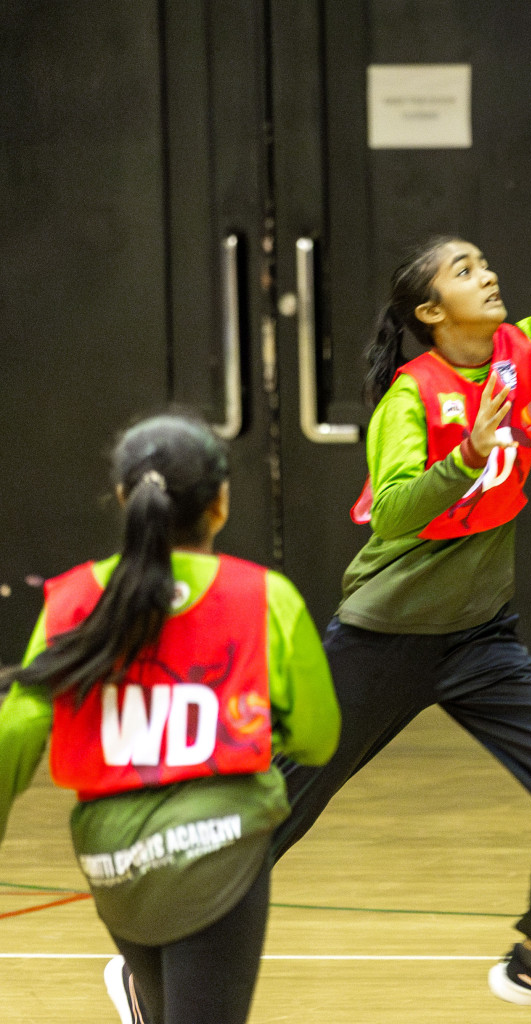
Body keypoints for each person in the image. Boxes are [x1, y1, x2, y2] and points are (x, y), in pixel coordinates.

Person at [101, 102, 531, 1024]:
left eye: (485, 261)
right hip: (382, 640)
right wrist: (466, 455)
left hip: (482, 638)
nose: (489, 273)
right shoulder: (410, 398)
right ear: (431, 313)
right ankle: (154, 955)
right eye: (465, 269)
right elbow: (393, 509)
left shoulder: (527, 349)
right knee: (274, 816)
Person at [0, 413, 339, 1024]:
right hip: (218, 853)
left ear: (124, 498)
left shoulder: (72, 597)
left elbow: (17, 731)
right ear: (220, 505)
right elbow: (318, 740)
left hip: (114, 862)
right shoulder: (263, 596)